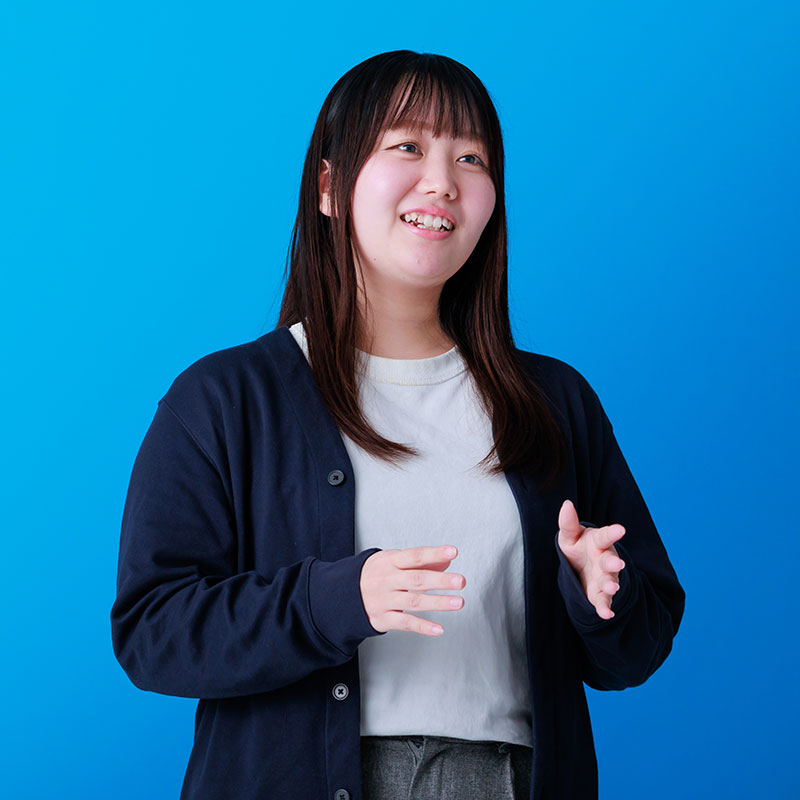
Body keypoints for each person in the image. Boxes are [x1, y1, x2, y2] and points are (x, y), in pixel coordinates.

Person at [110, 50, 685, 800]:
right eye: (408, 146)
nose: (442, 181)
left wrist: (598, 593)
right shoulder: (225, 398)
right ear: (328, 187)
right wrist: (336, 600)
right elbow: (152, 632)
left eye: (471, 158)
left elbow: (637, 650)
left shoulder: (554, 402)